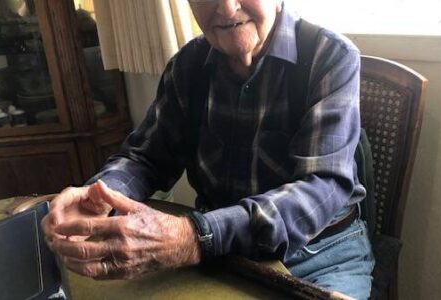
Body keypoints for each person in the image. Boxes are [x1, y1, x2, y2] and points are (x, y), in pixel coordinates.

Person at [42, 0, 375, 298]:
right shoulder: (188, 65)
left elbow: (323, 186)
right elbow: (144, 157)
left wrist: (196, 237)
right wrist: (98, 196)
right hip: (221, 256)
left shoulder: (330, 56)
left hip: (322, 255)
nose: (227, 9)